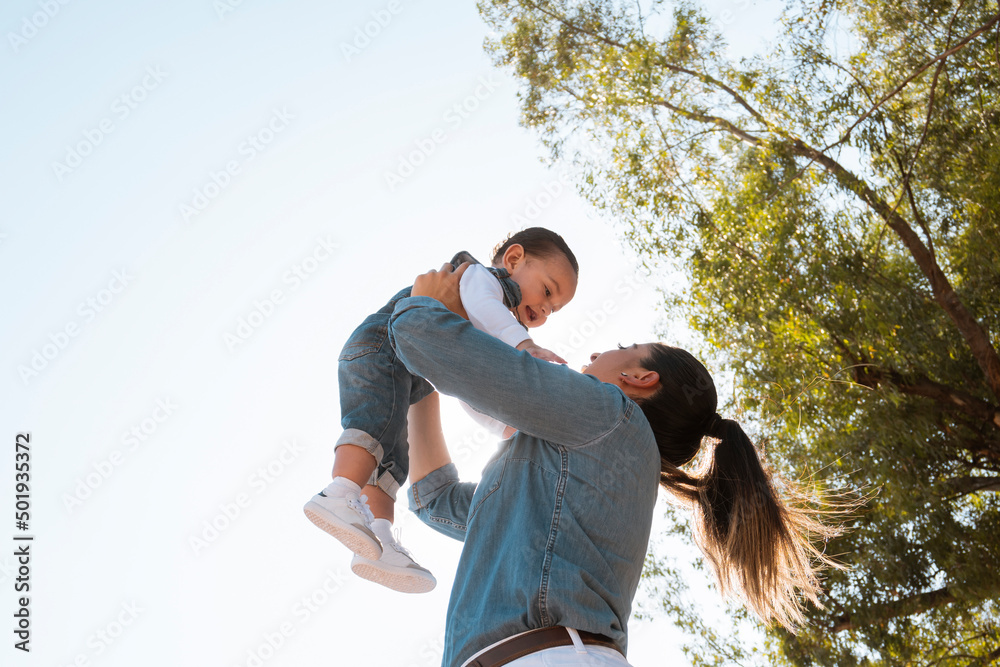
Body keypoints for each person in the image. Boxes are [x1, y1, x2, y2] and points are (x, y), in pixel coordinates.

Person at [388, 263, 838, 666]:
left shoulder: (610, 413)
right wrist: (421, 383)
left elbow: (424, 340)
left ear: (640, 379)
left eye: (625, 346)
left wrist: (424, 308)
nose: (596, 354)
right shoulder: (565, 462)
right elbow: (437, 500)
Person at [303, 228, 579, 594]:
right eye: (547, 291)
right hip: (381, 349)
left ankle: (379, 541)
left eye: (554, 309)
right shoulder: (480, 278)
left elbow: (464, 387)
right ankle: (338, 493)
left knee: (391, 460)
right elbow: (484, 309)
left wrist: (503, 426)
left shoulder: (488, 326)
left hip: (406, 376)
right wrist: (523, 342)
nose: (545, 310)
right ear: (513, 260)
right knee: (371, 428)